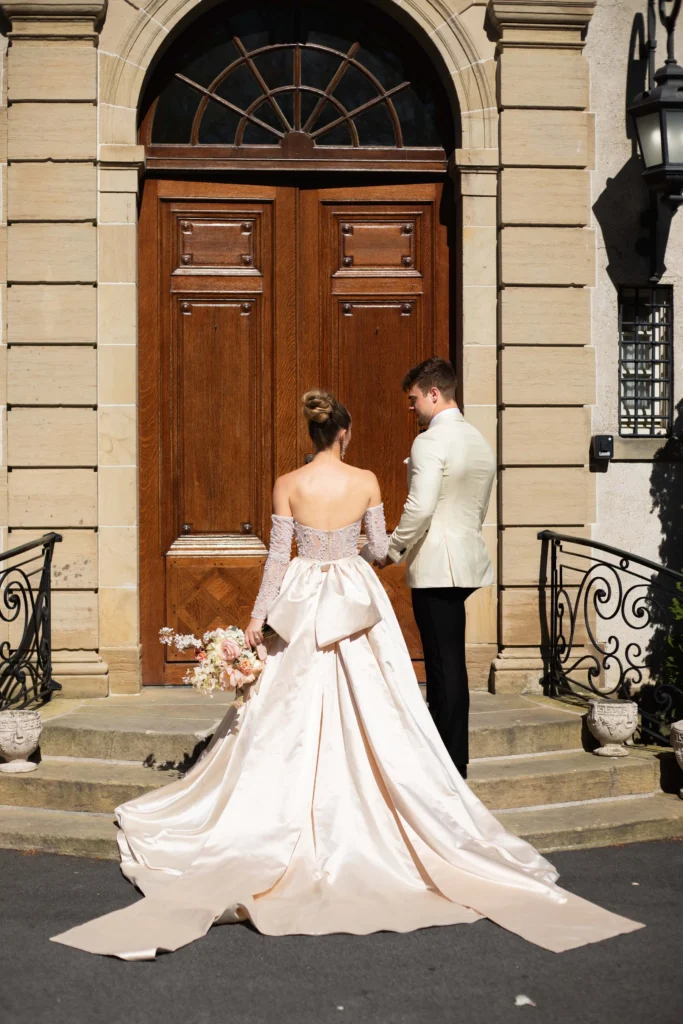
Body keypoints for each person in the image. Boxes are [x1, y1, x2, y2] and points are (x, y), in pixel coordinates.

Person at [51, 390, 642, 960]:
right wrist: (370, 555)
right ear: (346, 432)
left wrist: (257, 620)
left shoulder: (288, 484)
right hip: (356, 597)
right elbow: (382, 545)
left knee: (284, 708)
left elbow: (278, 559)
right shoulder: (367, 482)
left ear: (313, 434)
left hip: (304, 596)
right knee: (384, 703)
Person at [377, 357, 495, 780]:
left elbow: (421, 506)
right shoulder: (479, 439)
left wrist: (391, 551)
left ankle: (448, 762)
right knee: (452, 663)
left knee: (443, 667)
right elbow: (478, 506)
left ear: (433, 393)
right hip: (464, 559)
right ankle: (452, 756)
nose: (411, 409)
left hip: (435, 565)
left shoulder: (429, 441)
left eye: (413, 400)